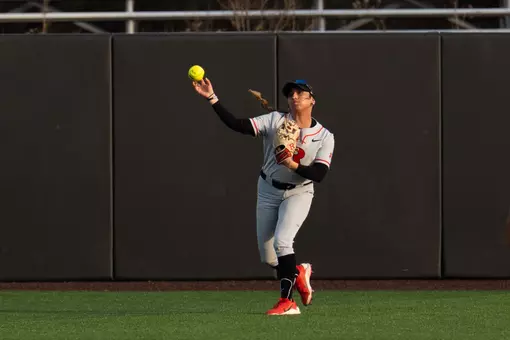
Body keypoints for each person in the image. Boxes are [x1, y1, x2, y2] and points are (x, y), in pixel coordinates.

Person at [192, 78, 335, 316]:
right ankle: (298, 271)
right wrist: (212, 98)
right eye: (291, 94)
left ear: (313, 100)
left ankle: (287, 302)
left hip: (299, 191)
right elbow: (238, 125)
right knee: (269, 257)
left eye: (301, 93)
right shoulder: (275, 120)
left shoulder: (325, 136)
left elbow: (319, 174)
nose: (295, 97)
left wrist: (291, 163)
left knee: (282, 242)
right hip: (268, 189)